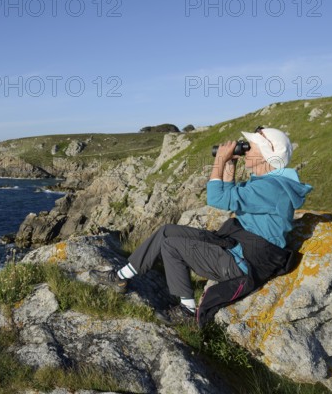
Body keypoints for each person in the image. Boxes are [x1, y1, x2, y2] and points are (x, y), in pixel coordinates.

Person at [90, 127, 313, 324]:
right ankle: (121, 277)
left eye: (250, 147)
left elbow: (217, 199)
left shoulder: (272, 188)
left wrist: (219, 161)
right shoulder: (268, 184)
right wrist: (229, 165)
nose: (245, 150)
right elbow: (228, 196)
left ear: (267, 154)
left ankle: (187, 310)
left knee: (172, 246)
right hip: (237, 246)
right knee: (167, 230)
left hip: (243, 263)